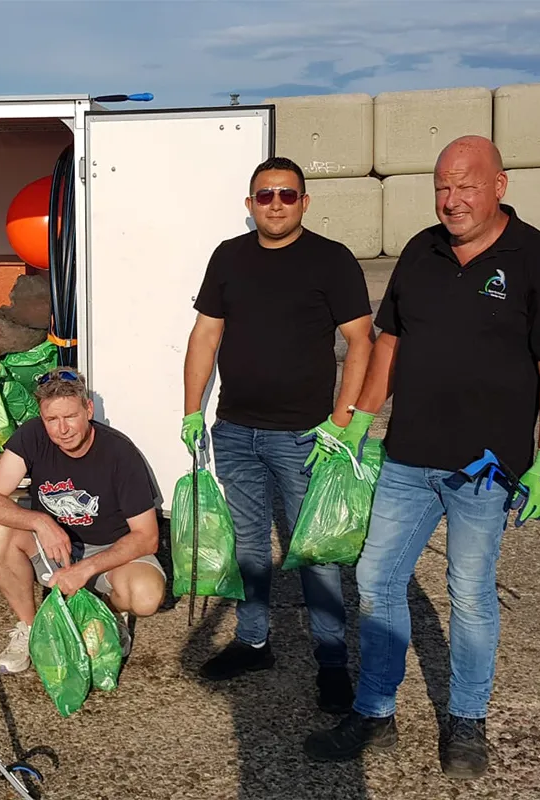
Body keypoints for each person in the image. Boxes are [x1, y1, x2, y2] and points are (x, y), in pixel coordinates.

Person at [303, 136, 540, 778]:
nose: (452, 200)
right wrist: (358, 420)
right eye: (442, 187)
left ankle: (466, 718)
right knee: (376, 579)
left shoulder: (535, 258)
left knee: (471, 592)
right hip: (407, 459)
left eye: (467, 186)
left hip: (484, 469)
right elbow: (390, 344)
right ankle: (375, 713)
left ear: (499, 186)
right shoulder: (420, 251)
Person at [181, 156, 376, 713]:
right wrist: (191, 411)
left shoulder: (331, 260)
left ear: (304, 202)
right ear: (250, 204)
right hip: (236, 432)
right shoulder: (229, 257)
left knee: (315, 551)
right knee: (248, 546)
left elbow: (360, 342)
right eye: (265, 195)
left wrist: (343, 421)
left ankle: (332, 663)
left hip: (305, 437)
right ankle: (253, 642)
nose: (275, 204)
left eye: (287, 195)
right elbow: (204, 336)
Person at [0, 367, 166, 674]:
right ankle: (31, 629)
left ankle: (110, 614)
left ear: (88, 410)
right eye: (52, 419)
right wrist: (41, 522)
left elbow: (147, 537)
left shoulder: (119, 452)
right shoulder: (32, 436)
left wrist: (85, 569)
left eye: (70, 417)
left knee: (146, 596)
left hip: (110, 550)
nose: (62, 429)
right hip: (56, 548)